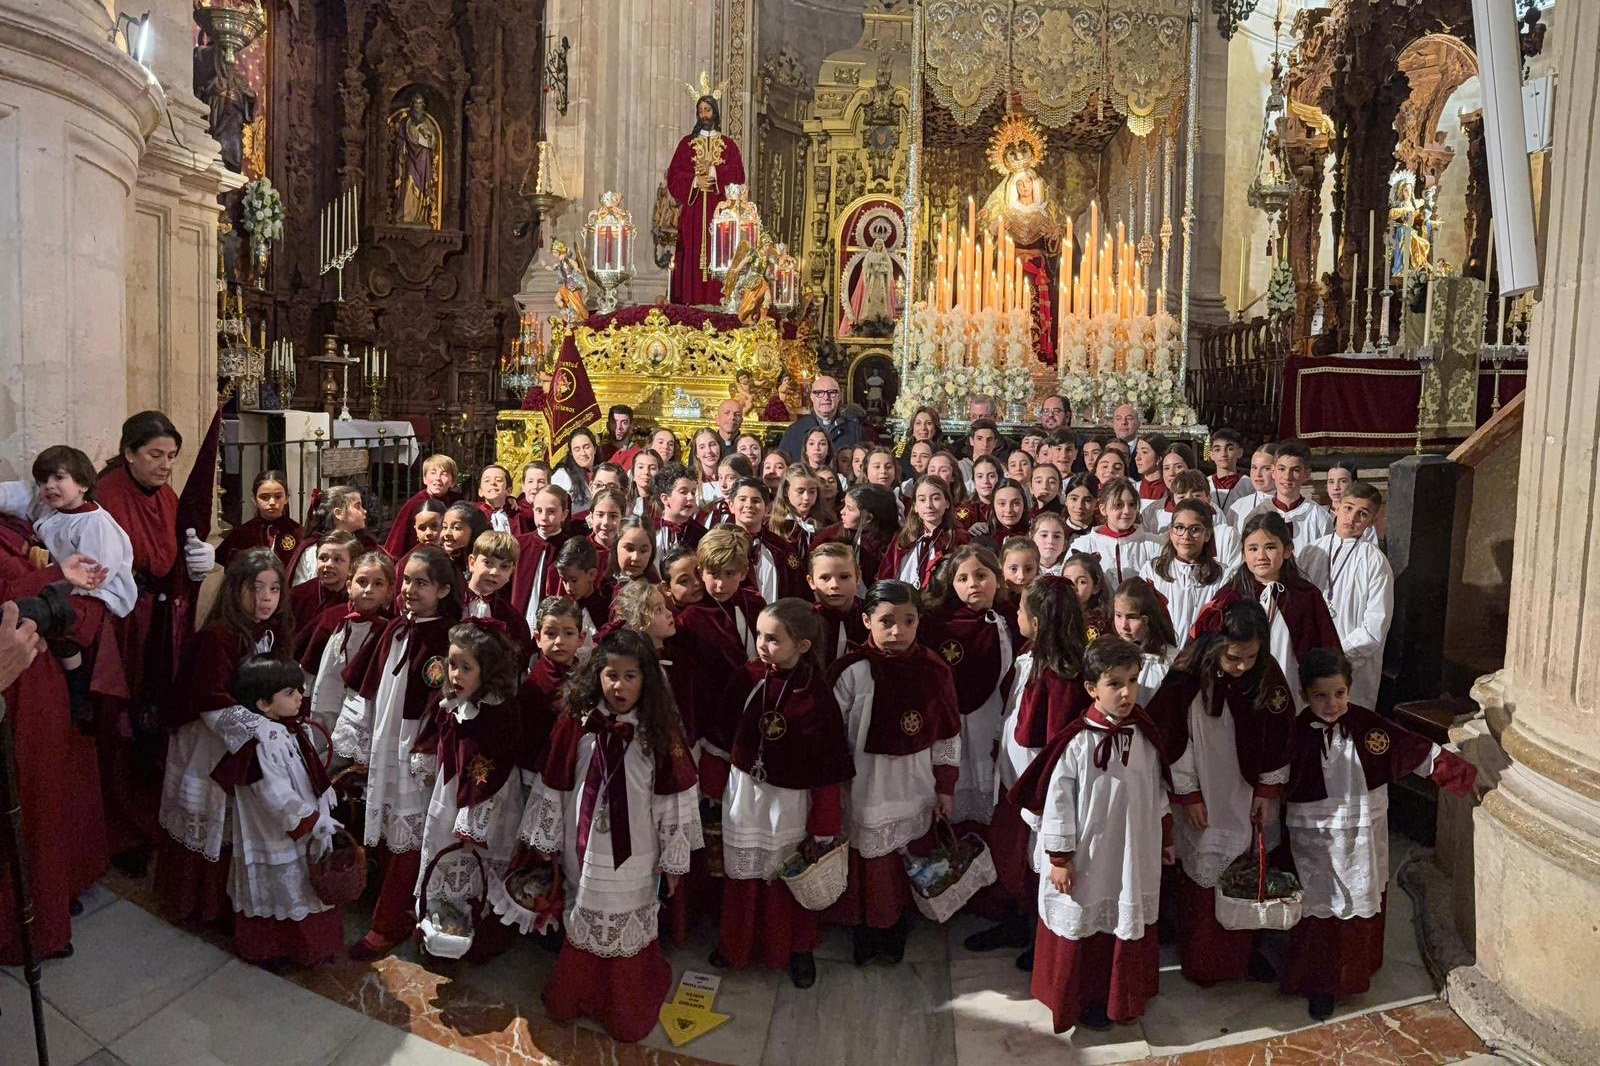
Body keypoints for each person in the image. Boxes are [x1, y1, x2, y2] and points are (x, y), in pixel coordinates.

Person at [525, 627, 701, 1043]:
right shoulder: (576, 720)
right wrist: (545, 840)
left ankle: (624, 1000)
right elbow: (555, 780)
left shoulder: (658, 731)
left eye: (630, 676)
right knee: (583, 906)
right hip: (582, 843)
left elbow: (673, 799)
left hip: (637, 850)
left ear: (647, 680)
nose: (619, 686)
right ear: (596, 675)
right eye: (610, 675)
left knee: (626, 912)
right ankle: (577, 991)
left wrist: (674, 861)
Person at [1282, 648, 1478, 1019]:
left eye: (1339, 694)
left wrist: (1465, 777)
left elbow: (1416, 751)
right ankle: (1319, 982)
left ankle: (1354, 973)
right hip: (1316, 837)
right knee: (1319, 905)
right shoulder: (1296, 733)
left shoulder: (1367, 725)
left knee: (1360, 896)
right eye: (1321, 695)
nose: (1332, 704)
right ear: (1306, 694)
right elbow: (1271, 775)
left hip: (1362, 832)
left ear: (1349, 690)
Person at [1008, 637, 1172, 1033]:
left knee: (1125, 916)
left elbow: (1158, 793)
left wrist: (1165, 838)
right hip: (1089, 856)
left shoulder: (1145, 735)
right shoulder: (1078, 742)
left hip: (1134, 852)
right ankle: (1085, 999)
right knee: (1085, 923)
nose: (1126, 692)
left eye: (1133, 681)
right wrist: (1060, 860)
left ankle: (1123, 996)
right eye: (1114, 683)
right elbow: (1057, 804)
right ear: (1091, 688)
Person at [1147, 600, 1294, 989]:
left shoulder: (1266, 676)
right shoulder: (1187, 679)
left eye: (1250, 656)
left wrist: (1266, 789)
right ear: (1214, 647)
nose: (1242, 666)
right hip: (1204, 789)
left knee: (1251, 866)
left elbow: (1279, 734)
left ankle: (1247, 953)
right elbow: (1173, 737)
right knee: (1204, 868)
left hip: (1247, 793)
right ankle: (1204, 959)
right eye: (1233, 657)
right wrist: (1189, 793)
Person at [711, 599, 854, 988]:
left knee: (787, 877)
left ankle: (796, 948)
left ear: (803, 645)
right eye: (758, 635)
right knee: (744, 874)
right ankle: (736, 945)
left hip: (789, 804)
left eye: (773, 639)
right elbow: (722, 735)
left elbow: (828, 768)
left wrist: (823, 827)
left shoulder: (817, 694)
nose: (761, 644)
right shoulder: (748, 677)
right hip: (746, 795)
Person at [96, 411, 216, 869]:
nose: (166, 465)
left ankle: (151, 819)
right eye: (155, 455)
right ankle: (121, 831)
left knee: (156, 719)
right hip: (121, 627)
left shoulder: (165, 495)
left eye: (172, 456)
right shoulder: (107, 495)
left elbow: (171, 560)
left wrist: (194, 563)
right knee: (120, 724)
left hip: (159, 624)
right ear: (129, 453)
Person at [155, 549, 292, 925]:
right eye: (255, 588)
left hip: (241, 741)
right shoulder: (219, 636)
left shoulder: (272, 631)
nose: (264, 598)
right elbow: (209, 700)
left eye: (273, 589)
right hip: (208, 738)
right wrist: (262, 729)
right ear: (236, 591)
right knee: (208, 812)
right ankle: (197, 905)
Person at [828, 580, 959, 965]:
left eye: (907, 620)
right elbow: (831, 734)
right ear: (866, 620)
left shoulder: (934, 669)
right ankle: (864, 927)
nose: (897, 630)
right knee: (866, 860)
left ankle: (895, 924)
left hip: (915, 784)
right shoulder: (852, 672)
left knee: (905, 858)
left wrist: (945, 786)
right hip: (864, 784)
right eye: (886, 621)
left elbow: (948, 735)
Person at [346, 546, 462, 960]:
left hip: (416, 751)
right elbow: (370, 684)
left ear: (444, 589)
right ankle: (378, 901)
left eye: (421, 583)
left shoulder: (449, 637)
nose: (409, 589)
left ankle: (391, 921)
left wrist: (426, 750)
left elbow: (447, 702)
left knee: (410, 835)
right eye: (406, 580)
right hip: (386, 738)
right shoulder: (397, 627)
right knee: (385, 822)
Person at [968, 575, 1090, 965]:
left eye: (1021, 609)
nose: (1016, 613)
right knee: (1015, 860)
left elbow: (1053, 745)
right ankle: (1019, 921)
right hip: (1015, 784)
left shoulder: (1063, 677)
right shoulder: (1031, 659)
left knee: (1040, 864)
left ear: (1036, 621)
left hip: (1041, 793)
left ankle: (1041, 936)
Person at [216, 655, 342, 967]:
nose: (301, 696)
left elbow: (305, 771)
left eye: (299, 689)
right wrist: (310, 819)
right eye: (290, 693)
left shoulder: (290, 729)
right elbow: (274, 792)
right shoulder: (261, 741)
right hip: (274, 831)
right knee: (283, 889)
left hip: (301, 828)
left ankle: (311, 948)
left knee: (303, 886)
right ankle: (274, 950)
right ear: (263, 703)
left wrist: (323, 800)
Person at [412, 620, 525, 962]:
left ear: (487, 671)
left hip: (487, 798)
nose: (456, 674)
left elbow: (493, 765)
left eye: (466, 667)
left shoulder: (497, 711)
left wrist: (473, 817)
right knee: (442, 849)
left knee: (480, 862)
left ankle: (479, 929)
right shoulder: (456, 700)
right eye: (452, 665)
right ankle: (440, 924)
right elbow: (441, 729)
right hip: (453, 790)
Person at [0, 445, 136, 727]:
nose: (49, 487)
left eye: (59, 478)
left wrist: (53, 574)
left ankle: (78, 687)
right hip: (64, 582)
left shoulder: (94, 523)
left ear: (84, 484)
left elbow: (96, 571)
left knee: (54, 618)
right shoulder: (55, 511)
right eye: (42, 481)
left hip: (96, 594)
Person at [918, 545, 1018, 827]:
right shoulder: (939, 625)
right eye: (962, 578)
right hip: (952, 717)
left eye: (981, 575)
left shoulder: (1010, 617)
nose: (973, 583)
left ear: (997, 578)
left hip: (995, 712)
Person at [1195, 512, 1339, 706]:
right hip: (1240, 691)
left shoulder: (1305, 596)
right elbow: (1206, 649)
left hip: (1294, 690)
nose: (1261, 556)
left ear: (1287, 550)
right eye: (1253, 549)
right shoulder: (1230, 596)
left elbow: (1327, 650)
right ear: (1244, 554)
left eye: (1270, 547)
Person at [1296, 481, 1393, 709]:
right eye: (1348, 508)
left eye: (1363, 513)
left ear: (1372, 520)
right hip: (1310, 658)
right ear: (1337, 507)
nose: (1352, 518)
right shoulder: (1311, 551)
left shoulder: (1375, 561)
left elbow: (1375, 626)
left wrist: (1337, 658)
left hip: (1351, 666)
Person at [309, 551, 395, 752]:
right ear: (349, 586)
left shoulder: (390, 629)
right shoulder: (336, 620)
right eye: (362, 582)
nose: (368, 590)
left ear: (390, 591)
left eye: (378, 584)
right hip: (329, 700)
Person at [667, 92, 747, 307]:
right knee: (692, 256)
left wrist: (712, 172)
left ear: (715, 112)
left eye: (708, 110)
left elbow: (738, 175)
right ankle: (689, 304)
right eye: (701, 110)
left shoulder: (728, 145)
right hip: (693, 215)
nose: (704, 114)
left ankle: (721, 303)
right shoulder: (687, 144)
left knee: (719, 253)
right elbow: (674, 176)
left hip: (720, 215)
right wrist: (695, 181)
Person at [1139, 500, 1229, 641]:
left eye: (1195, 529)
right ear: (1171, 531)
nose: (1186, 536)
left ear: (1207, 534)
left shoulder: (1223, 576)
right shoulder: (1153, 571)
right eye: (1179, 528)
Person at [878, 474, 968, 583]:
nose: (929, 505)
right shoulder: (903, 538)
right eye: (922, 500)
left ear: (947, 503)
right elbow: (886, 575)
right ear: (915, 506)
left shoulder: (959, 538)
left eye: (936, 498)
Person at [1072, 477, 1160, 587]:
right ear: (1103, 509)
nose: (1127, 511)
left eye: (1132, 504)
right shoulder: (1084, 545)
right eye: (1119, 505)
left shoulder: (1154, 544)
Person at [285, 485, 371, 587]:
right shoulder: (314, 550)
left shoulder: (367, 546)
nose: (364, 511)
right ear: (339, 513)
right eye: (357, 506)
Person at [1111, 578, 1179, 704]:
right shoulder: (1109, 654)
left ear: (1147, 619)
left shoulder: (1169, 662)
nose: (1124, 625)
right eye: (1118, 615)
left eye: (1132, 617)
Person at [217, 469, 301, 568]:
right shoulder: (241, 534)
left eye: (278, 496)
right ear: (254, 498)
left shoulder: (299, 533)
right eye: (264, 497)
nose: (272, 502)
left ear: (286, 497)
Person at [1260, 440, 1332, 554]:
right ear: (1273, 471)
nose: (1287, 477)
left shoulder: (1319, 517)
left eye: (1296, 470)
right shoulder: (1258, 513)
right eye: (1282, 469)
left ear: (1306, 474)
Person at [384, 454, 462, 558]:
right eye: (433, 473)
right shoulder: (415, 504)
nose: (437, 478)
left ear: (452, 481)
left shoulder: (457, 502)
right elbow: (396, 542)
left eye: (444, 473)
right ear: (425, 479)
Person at [777, 375, 865, 462]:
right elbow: (783, 466)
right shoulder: (794, 432)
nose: (826, 397)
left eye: (832, 393)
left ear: (839, 396)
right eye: (819, 393)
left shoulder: (855, 430)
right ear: (812, 397)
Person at [1227, 443, 1278, 531]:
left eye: (1266, 468)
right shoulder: (1238, 507)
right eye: (1254, 467)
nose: (1257, 474)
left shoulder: (1290, 506)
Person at [1206, 429, 1251, 515]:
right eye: (1217, 449)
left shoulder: (1248, 484)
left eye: (1230, 449)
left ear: (1240, 452)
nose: (1223, 454)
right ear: (1211, 454)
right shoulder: (1205, 483)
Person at [477, 463, 526, 537]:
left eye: (499, 480)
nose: (493, 483)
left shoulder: (518, 515)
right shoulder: (474, 514)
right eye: (487, 481)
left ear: (509, 490)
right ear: (480, 492)